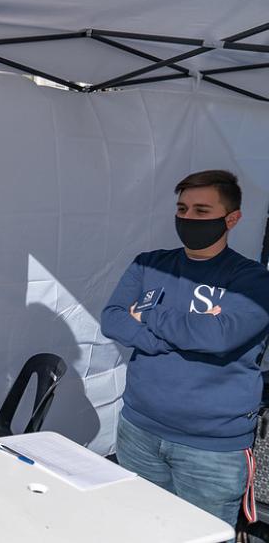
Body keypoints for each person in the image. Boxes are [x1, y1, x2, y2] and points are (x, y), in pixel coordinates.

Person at [101, 170, 269, 533]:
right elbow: (112, 319)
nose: (188, 219)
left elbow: (220, 337)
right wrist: (174, 334)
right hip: (139, 431)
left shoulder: (253, 280)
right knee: (138, 531)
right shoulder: (150, 263)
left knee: (199, 538)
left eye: (202, 211)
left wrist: (147, 315)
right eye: (183, 209)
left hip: (211, 451)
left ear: (232, 219)